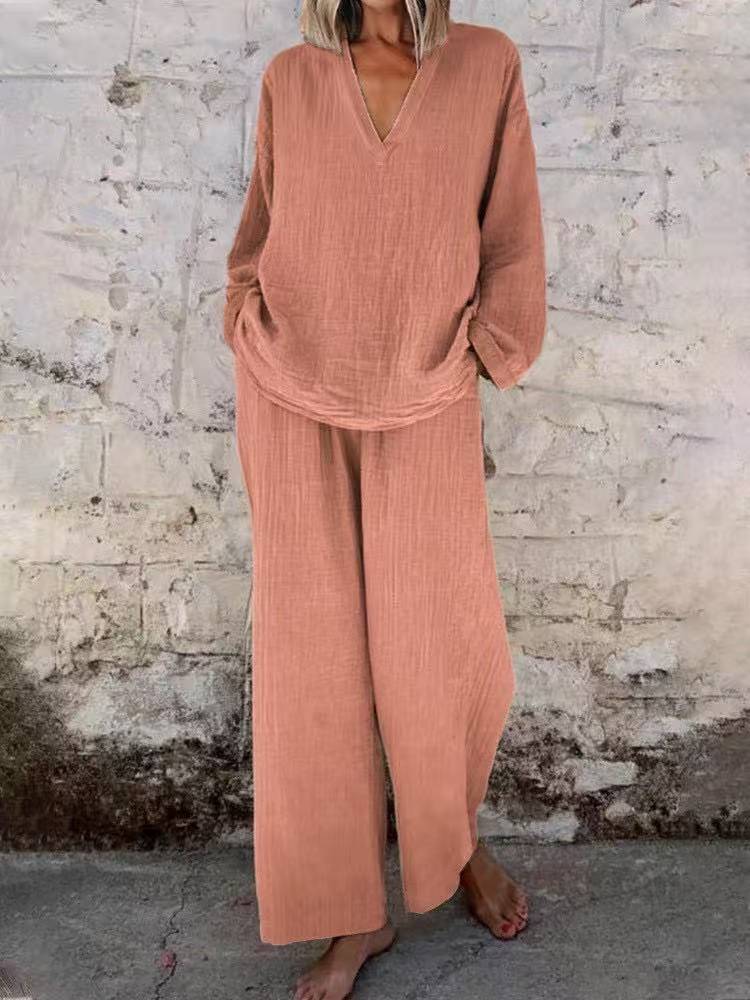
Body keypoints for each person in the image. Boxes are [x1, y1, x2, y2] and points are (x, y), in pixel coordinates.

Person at [223, 1, 547, 997]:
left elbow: (510, 232)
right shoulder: (292, 78)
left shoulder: (485, 66)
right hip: (291, 396)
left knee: (435, 645)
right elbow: (261, 228)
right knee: (314, 666)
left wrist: (486, 350)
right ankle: (353, 915)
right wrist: (243, 313)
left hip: (426, 396)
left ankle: (457, 849)